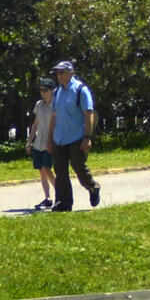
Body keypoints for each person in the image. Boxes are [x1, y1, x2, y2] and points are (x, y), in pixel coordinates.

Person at [49, 59, 101, 210]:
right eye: (57, 73)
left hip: (76, 137)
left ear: (71, 73)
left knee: (78, 166)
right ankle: (64, 203)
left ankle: (92, 187)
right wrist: (49, 138)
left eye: (62, 72)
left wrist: (87, 137)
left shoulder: (80, 90)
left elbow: (89, 113)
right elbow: (54, 116)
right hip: (59, 138)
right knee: (60, 170)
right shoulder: (57, 92)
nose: (59, 75)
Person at [28, 75, 57, 212]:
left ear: (52, 90)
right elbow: (35, 124)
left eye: (45, 89)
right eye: (41, 90)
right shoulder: (39, 105)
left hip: (50, 142)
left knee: (47, 167)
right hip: (39, 142)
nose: (43, 92)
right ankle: (48, 198)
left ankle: (61, 193)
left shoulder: (56, 105)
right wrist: (30, 141)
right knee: (41, 170)